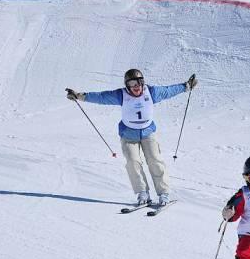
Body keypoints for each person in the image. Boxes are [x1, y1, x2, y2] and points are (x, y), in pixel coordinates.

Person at [66, 69, 197, 206]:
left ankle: (163, 193)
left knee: (155, 160)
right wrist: (79, 96)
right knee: (133, 162)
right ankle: (143, 193)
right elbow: (101, 97)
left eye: (139, 82)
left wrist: (186, 86)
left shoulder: (151, 92)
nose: (136, 86)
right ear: (127, 85)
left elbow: (168, 91)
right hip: (128, 135)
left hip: (148, 133)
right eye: (132, 83)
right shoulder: (121, 95)